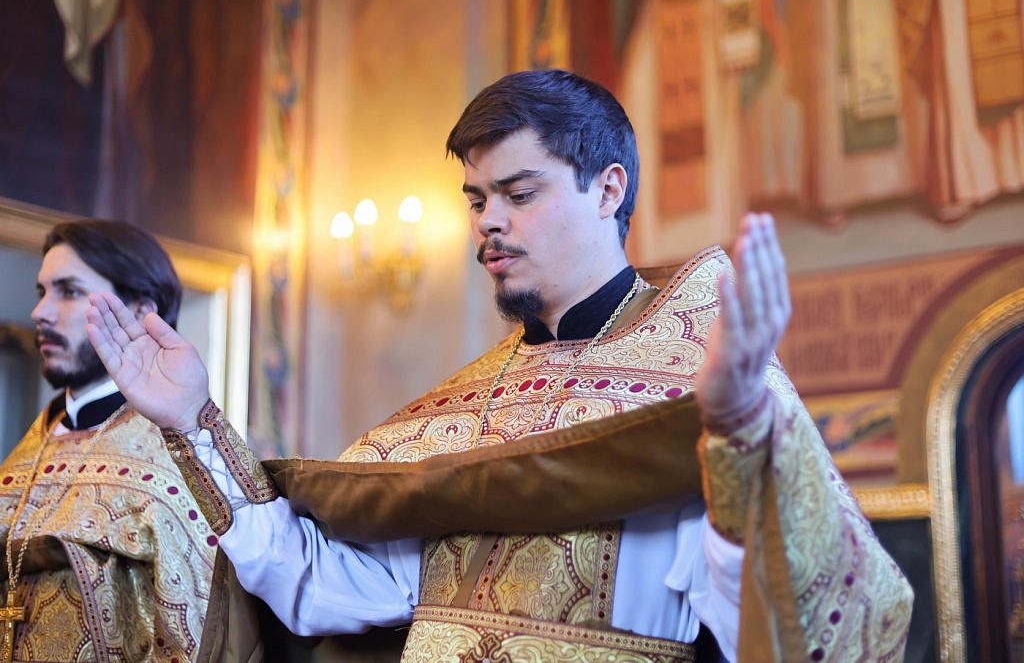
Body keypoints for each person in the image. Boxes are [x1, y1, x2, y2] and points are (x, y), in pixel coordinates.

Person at [86, 70, 914, 662]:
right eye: (477, 200)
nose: (488, 222)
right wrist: (193, 423)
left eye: (519, 194)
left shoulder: (700, 387)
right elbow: (333, 591)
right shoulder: (461, 411)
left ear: (608, 190)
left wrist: (737, 434)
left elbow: (767, 621)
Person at [0, 220, 218, 662]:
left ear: (140, 313)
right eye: (43, 291)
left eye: (69, 291)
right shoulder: (27, 452)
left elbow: (198, 634)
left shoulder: (181, 460)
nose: (40, 312)